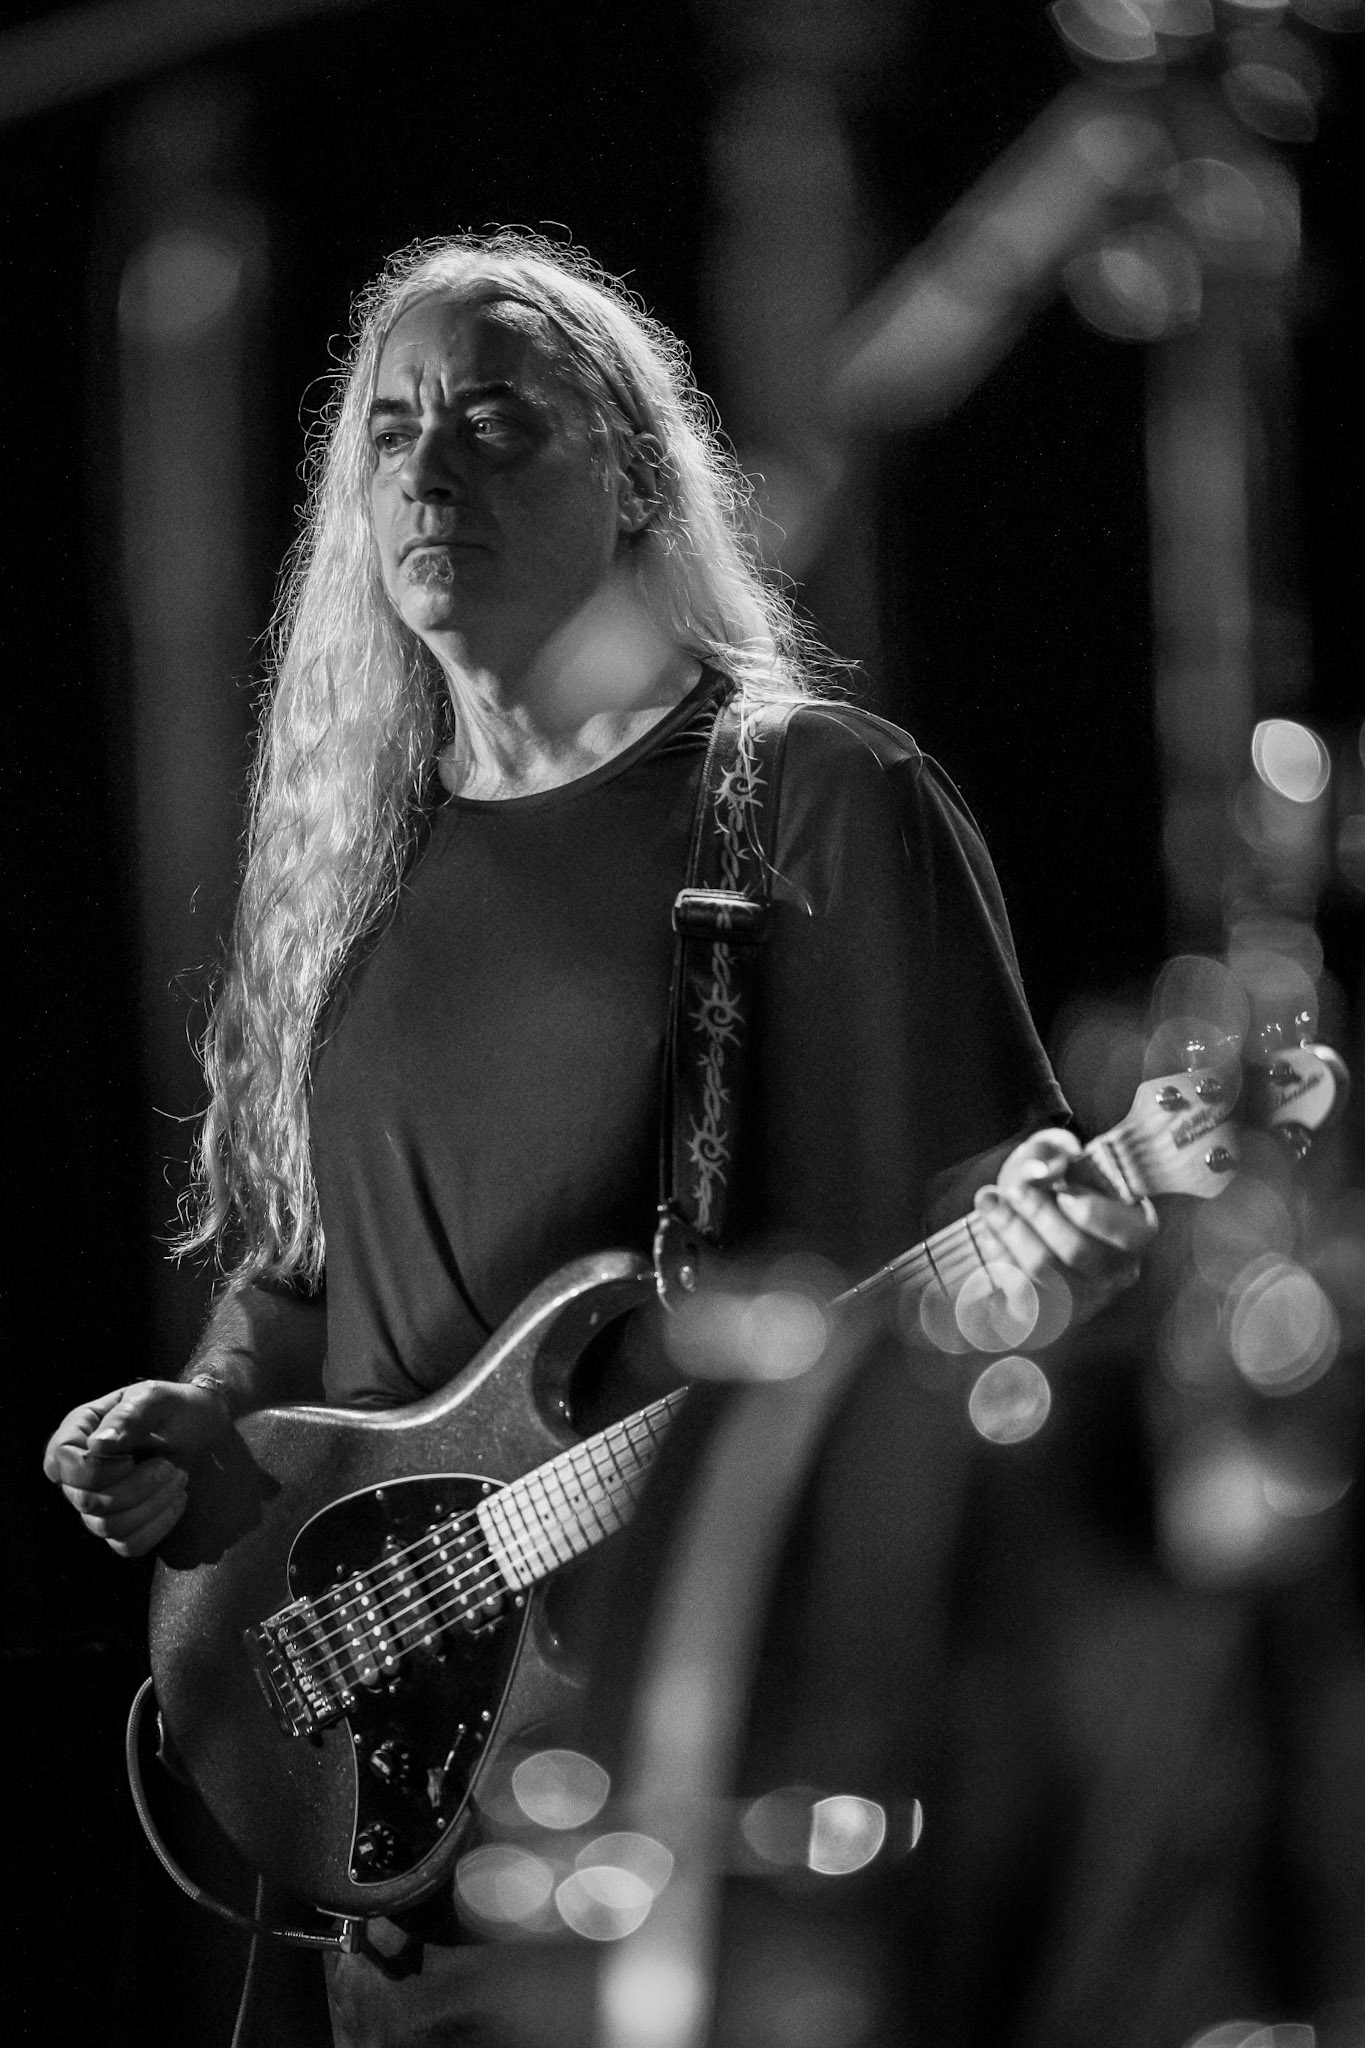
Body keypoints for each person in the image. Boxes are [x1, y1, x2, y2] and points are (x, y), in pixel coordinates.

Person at [43, 233, 1157, 2047]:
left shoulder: (807, 797)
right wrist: (204, 1414)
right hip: (388, 1821)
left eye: (494, 421)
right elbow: (304, 1267)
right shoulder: (348, 854)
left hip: (684, 1785)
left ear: (634, 476)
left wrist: (1060, 1244)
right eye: (391, 430)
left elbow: (990, 1243)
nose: (429, 470)